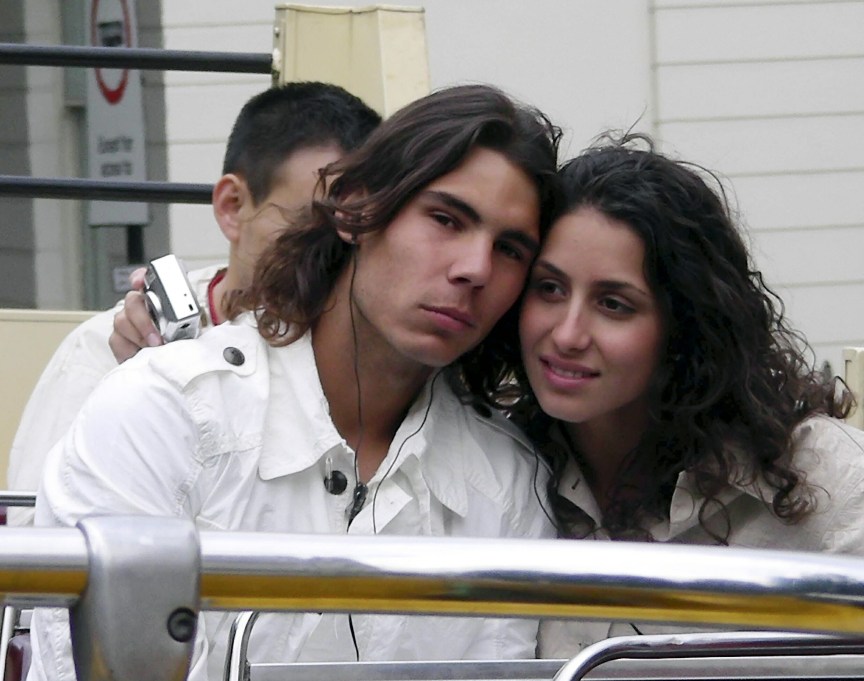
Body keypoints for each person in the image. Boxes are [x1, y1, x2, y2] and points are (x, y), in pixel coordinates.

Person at [29, 84, 562, 681]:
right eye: (445, 219)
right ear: (356, 209)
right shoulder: (164, 413)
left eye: (511, 249)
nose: (476, 268)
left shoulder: (509, 485)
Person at [502, 137, 864, 657]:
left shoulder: (837, 485)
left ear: (686, 325)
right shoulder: (492, 467)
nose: (567, 334)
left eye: (613, 304)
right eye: (549, 288)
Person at [6, 82, 381, 524]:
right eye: (310, 223)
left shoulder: (377, 361)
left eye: (363, 228)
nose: (336, 249)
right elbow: (36, 539)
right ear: (231, 205)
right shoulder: (104, 352)